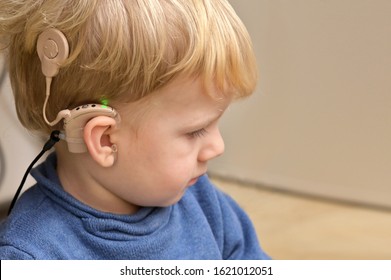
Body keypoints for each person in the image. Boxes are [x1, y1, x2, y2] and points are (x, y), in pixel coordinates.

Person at [0, 0, 270, 259]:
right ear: (105, 140)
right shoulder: (34, 256)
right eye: (195, 131)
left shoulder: (205, 205)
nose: (217, 147)